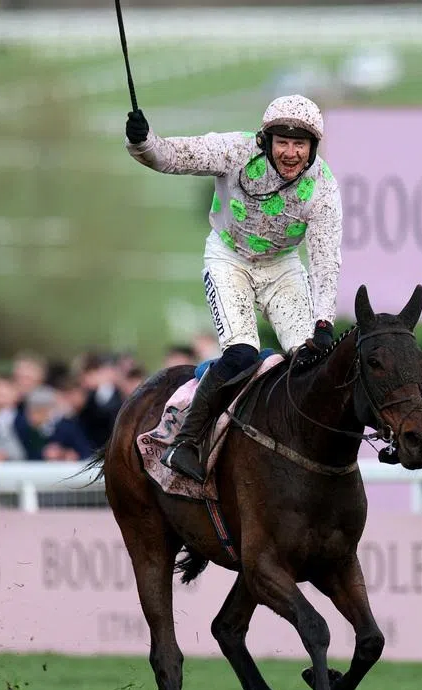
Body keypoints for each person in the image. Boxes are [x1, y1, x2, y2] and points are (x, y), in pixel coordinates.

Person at [125, 94, 343, 482]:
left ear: (312, 148)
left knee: (310, 362)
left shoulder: (323, 188)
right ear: (266, 140)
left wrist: (324, 323)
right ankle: (187, 441)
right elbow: (172, 157)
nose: (291, 153)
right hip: (230, 258)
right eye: (283, 142)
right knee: (243, 353)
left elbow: (326, 260)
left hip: (282, 267)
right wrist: (144, 143)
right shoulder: (235, 150)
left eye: (300, 145)